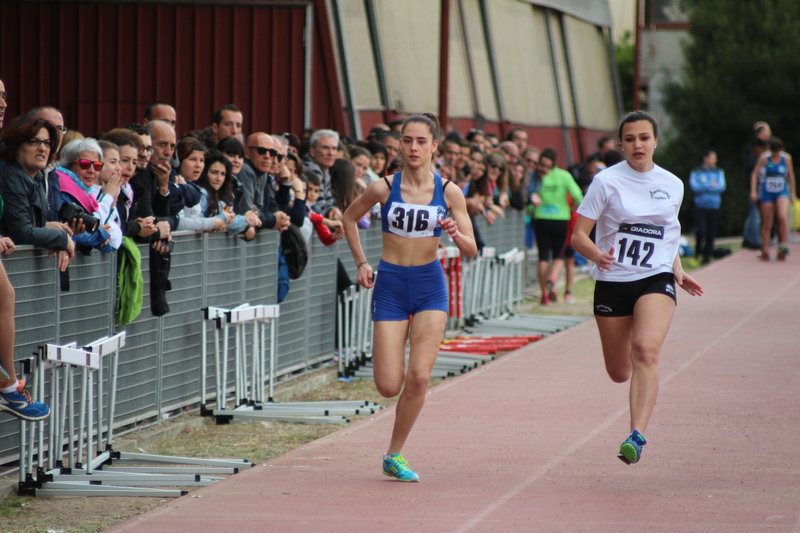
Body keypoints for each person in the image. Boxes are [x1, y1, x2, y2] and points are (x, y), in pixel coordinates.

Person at [342, 113, 476, 482]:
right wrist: (362, 262)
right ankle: (394, 438)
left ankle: (394, 453)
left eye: (421, 141)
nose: (414, 147)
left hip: (430, 285)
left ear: (435, 146)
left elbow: (471, 249)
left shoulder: (448, 191)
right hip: (390, 285)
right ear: (399, 145)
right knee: (388, 385)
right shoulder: (384, 187)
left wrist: (453, 232)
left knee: (418, 377)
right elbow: (348, 218)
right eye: (407, 141)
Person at [572, 110, 703, 465]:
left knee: (645, 350)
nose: (637, 145)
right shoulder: (605, 181)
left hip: (655, 277)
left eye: (644, 138)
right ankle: (632, 388)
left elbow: (668, 236)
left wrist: (676, 271)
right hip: (613, 280)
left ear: (656, 140)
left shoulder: (673, 184)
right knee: (619, 372)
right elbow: (578, 236)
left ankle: (636, 435)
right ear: (621, 144)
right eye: (630, 139)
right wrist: (598, 255)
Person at [0, 115, 75, 272]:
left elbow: (28, 223)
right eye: (34, 141)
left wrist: (48, 229)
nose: (43, 148)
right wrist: (61, 238)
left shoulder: (37, 177)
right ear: (16, 147)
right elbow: (22, 233)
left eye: (47, 143)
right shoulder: (12, 176)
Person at [532, 148, 583, 304]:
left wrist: (530, 209)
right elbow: (578, 195)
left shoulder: (537, 176)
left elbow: (530, 198)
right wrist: (577, 207)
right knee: (559, 256)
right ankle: (553, 280)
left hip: (540, 217)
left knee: (543, 257)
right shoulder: (564, 176)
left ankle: (544, 295)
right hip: (560, 219)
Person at [750, 137, 796, 261]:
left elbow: (791, 176)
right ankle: (764, 248)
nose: (775, 155)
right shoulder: (764, 158)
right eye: (773, 152)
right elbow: (754, 174)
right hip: (767, 192)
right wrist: (754, 191)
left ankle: (783, 245)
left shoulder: (786, 158)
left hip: (781, 190)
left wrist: (793, 193)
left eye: (777, 152)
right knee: (767, 222)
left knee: (782, 216)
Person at [690, 150, 726, 264]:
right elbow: (695, 188)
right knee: (700, 231)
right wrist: (710, 185)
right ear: (705, 158)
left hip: (714, 206)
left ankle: (707, 256)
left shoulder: (718, 172)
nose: (714, 160)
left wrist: (704, 186)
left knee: (711, 233)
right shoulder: (696, 172)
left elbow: (721, 187)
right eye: (712, 158)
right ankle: (697, 252)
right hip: (700, 206)